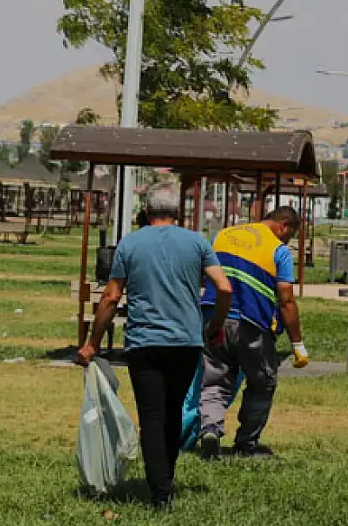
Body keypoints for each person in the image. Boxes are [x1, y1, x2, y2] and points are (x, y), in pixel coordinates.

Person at [77, 183, 232, 510]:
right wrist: (213, 328)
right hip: (186, 342)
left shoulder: (131, 244)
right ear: (178, 212)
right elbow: (224, 287)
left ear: (146, 212)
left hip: (144, 343)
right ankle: (167, 478)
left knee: (151, 414)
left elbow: (111, 296)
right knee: (173, 411)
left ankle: (160, 491)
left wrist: (92, 343)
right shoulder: (197, 242)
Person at [197, 206, 308, 459]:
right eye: (291, 234)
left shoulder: (223, 235)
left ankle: (210, 429)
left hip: (216, 318)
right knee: (262, 383)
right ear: (284, 226)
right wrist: (297, 344)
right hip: (253, 325)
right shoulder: (278, 250)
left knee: (215, 380)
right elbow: (286, 299)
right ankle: (246, 444)